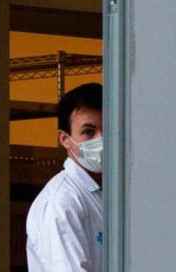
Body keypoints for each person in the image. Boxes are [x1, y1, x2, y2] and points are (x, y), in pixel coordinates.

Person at [26, 82, 103, 272]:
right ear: (65, 139)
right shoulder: (62, 202)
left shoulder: (111, 192)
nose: (101, 140)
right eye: (88, 132)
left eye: (108, 128)